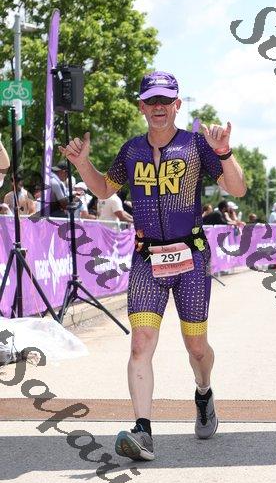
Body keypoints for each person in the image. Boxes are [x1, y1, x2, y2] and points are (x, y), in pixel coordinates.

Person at [59, 70, 246, 461]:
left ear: (177, 105)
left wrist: (225, 153)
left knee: (196, 348)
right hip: (147, 259)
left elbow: (237, 189)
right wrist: (82, 163)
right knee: (141, 342)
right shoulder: (131, 151)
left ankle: (204, 392)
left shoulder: (197, 145)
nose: (158, 107)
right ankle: (142, 431)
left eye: (165, 100)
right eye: (151, 101)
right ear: (141, 106)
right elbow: (104, 189)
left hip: (191, 258)